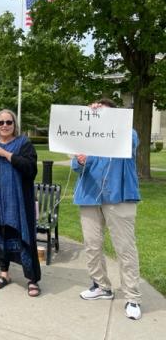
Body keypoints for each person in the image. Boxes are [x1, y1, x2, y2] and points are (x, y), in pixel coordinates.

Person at [71, 98, 142, 320]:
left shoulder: (126, 134)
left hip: (119, 197)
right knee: (92, 245)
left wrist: (108, 119)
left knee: (125, 248)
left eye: (107, 114)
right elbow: (75, 165)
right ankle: (101, 286)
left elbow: (131, 142)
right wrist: (81, 161)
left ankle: (132, 297)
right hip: (90, 197)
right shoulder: (87, 138)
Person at [0, 109, 41, 296]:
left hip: (18, 202)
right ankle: (4, 274)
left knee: (25, 236)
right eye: (0, 122)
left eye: (9, 122)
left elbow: (30, 169)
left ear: (14, 125)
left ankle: (33, 279)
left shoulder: (24, 144)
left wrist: (6, 155)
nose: (5, 126)